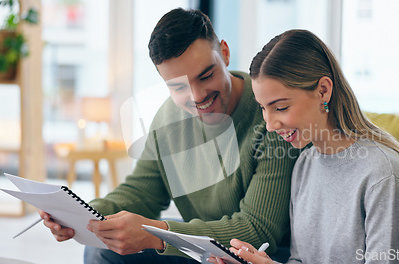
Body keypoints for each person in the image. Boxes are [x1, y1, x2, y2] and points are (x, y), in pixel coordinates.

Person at [38, 8, 300, 263]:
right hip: (201, 250)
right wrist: (81, 214)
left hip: (258, 255)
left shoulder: (269, 116)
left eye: (206, 76)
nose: (197, 96)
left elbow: (257, 230)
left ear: (225, 52)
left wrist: (158, 236)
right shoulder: (168, 118)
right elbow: (141, 193)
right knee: (102, 250)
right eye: (178, 87)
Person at [209, 29, 399, 264]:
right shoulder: (305, 165)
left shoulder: (382, 175)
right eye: (263, 108)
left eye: (280, 108)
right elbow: (300, 260)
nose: (269, 125)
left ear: (323, 90)